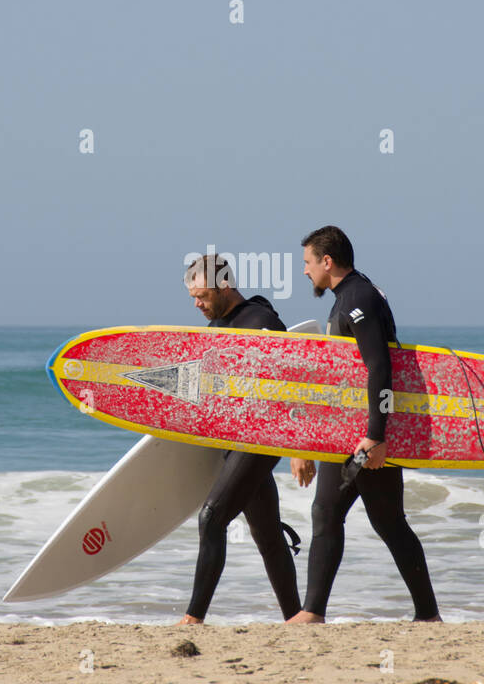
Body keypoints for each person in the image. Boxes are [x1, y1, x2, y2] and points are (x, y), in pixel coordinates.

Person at [285, 226, 441, 624]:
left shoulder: (359, 298)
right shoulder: (349, 298)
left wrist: (375, 435)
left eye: (307, 263)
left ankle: (312, 612)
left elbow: (379, 366)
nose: (304, 272)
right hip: (355, 433)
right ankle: (427, 614)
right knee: (383, 521)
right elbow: (343, 379)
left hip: (365, 437)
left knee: (330, 513)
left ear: (327, 261)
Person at [176, 253, 302, 624]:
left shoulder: (261, 322)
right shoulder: (220, 324)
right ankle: (295, 618)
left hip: (262, 439)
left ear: (225, 285)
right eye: (192, 298)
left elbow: (293, 385)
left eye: (202, 296)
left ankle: (194, 618)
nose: (197, 305)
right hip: (236, 441)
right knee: (265, 532)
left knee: (212, 517)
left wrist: (298, 448)